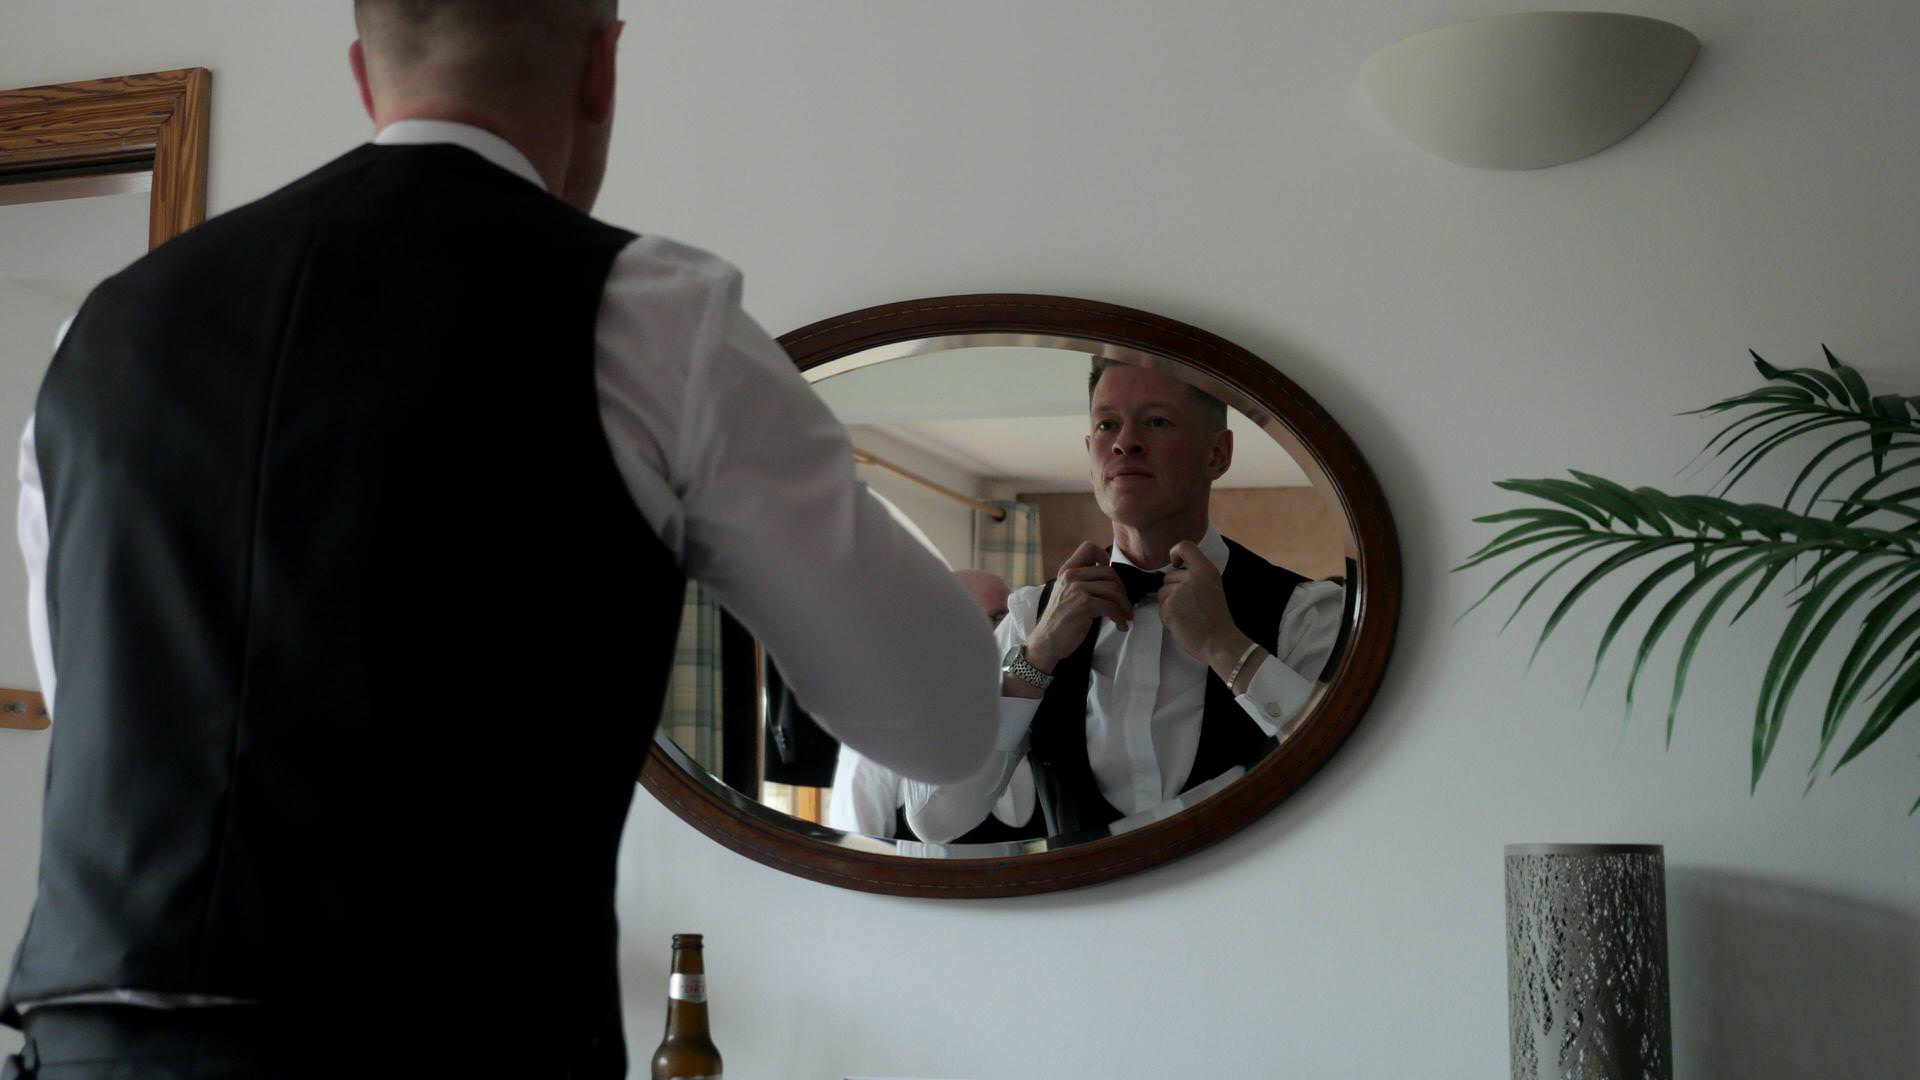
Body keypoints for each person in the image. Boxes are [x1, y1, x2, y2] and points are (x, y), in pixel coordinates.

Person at [1, 2, 999, 1075]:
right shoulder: (654, 316)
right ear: (599, 70)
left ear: (363, 72)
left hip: (89, 1047)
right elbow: (941, 728)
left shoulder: (99, 331)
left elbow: (91, 699)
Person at [903, 359, 1347, 843]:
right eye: (1107, 424)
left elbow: (1356, 780)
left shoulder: (1306, 610)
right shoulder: (1031, 616)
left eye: (1156, 421)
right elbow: (934, 820)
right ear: (1090, 452)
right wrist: (1037, 658)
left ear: (1217, 454)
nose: (1124, 442)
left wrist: (1226, 647)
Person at [827, 570, 1042, 844]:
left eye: (1012, 616)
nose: (1012, 630)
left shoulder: (1039, 711)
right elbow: (856, 860)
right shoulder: (881, 737)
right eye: (998, 617)